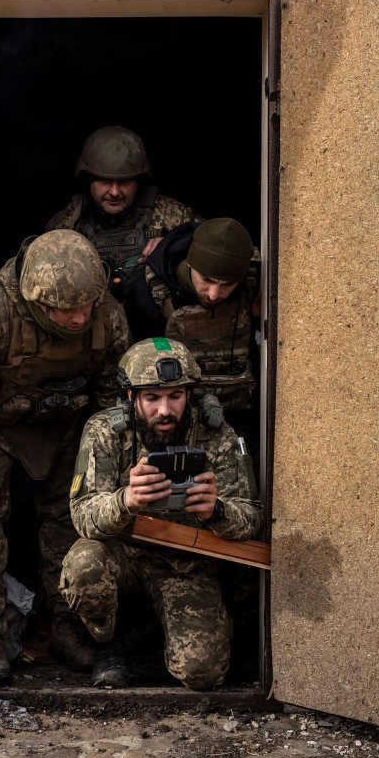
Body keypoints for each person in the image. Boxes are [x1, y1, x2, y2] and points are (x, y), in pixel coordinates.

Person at [0, 229, 130, 685]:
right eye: (67, 310)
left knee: (71, 522)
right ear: (38, 301)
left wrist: (101, 460)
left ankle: (68, 623)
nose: (81, 318)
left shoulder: (105, 312)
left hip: (68, 428)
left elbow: (113, 391)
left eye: (87, 307)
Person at [59, 338, 262, 690]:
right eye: (152, 398)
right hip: (122, 552)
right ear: (131, 398)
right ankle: (108, 644)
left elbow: (252, 516)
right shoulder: (105, 431)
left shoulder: (219, 435)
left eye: (175, 397)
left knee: (203, 674)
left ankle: (160, 630)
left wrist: (217, 511)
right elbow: (82, 514)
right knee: (83, 567)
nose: (164, 411)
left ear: (190, 395)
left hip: (184, 561)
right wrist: (125, 501)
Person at [45, 126, 200, 307]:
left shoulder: (171, 216)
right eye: (105, 181)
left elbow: (217, 247)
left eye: (124, 182)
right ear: (88, 180)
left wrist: (174, 243)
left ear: (138, 181)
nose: (114, 192)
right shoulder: (64, 228)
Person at [125, 217, 258, 415]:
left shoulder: (255, 282)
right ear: (190, 264)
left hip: (240, 406)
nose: (214, 294)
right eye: (206, 279)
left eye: (227, 284)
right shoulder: (149, 291)